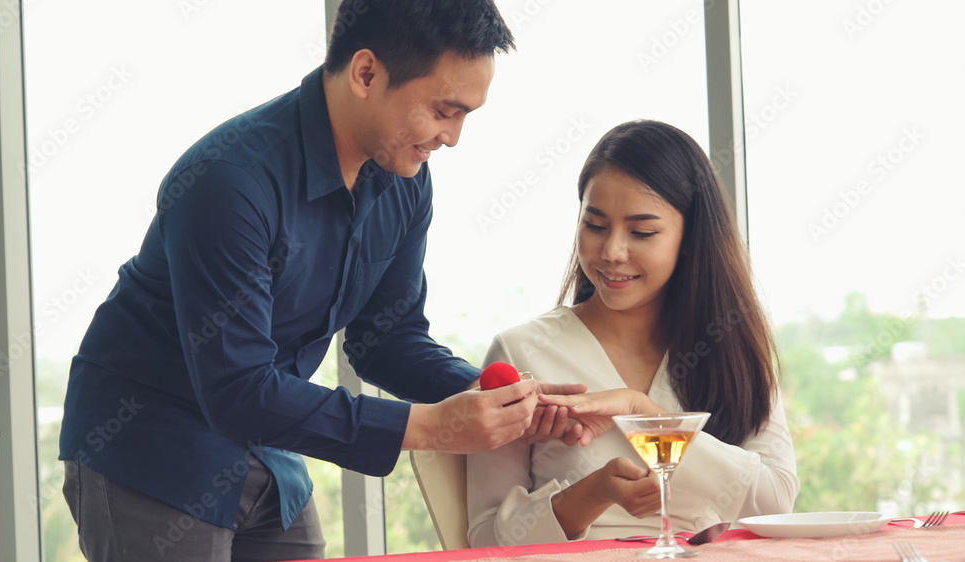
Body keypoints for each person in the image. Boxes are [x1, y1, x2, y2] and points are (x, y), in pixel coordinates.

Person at [58, 2, 582, 560]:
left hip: (271, 445)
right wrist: (431, 426)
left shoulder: (405, 181)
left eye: (466, 115)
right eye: (444, 110)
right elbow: (237, 391)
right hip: (153, 446)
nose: (452, 137)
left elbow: (386, 340)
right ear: (366, 73)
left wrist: (493, 396)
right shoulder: (229, 182)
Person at [466, 120, 800, 547]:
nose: (611, 252)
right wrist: (591, 494)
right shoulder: (523, 352)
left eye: (642, 232)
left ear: (690, 238)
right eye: (596, 225)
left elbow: (775, 505)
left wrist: (644, 412)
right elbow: (484, 541)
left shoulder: (730, 346)